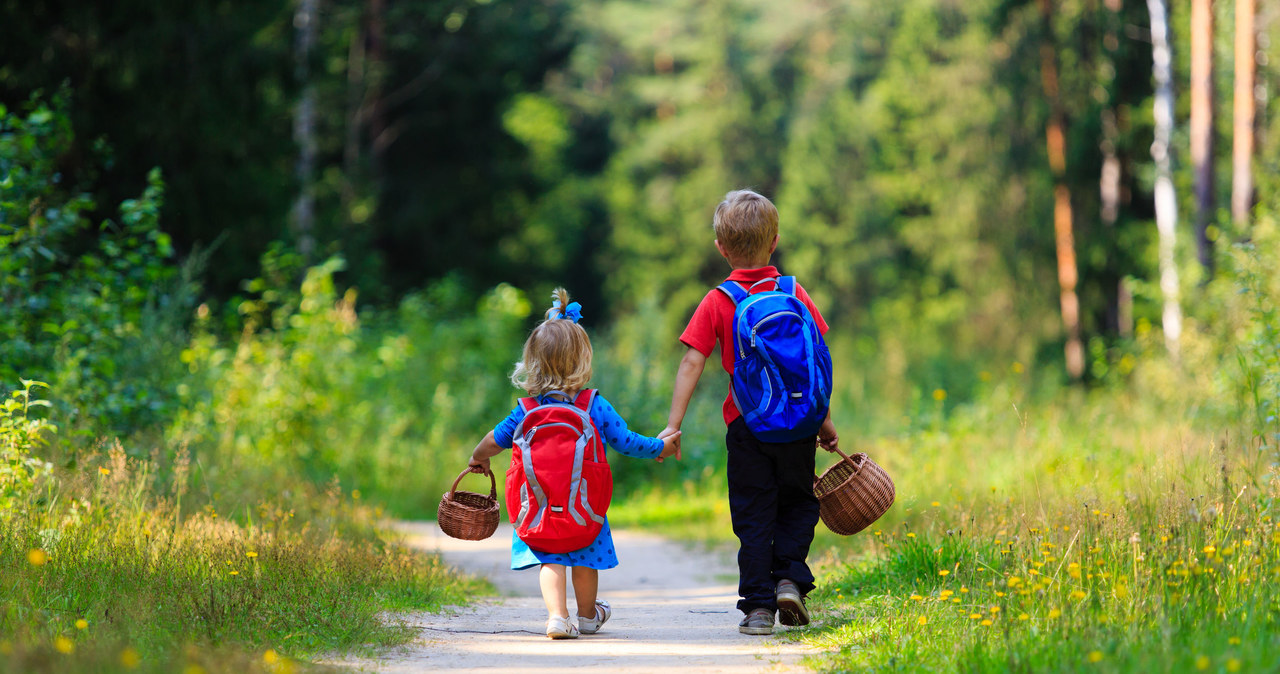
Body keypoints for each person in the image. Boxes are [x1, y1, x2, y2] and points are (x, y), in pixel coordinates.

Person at [661, 189, 839, 636]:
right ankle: (790, 581)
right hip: (798, 426)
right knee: (799, 504)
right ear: (774, 241)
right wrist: (825, 420)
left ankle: (758, 608)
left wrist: (673, 425)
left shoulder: (719, 299)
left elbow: (691, 361)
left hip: (746, 425)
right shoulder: (793, 291)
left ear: (721, 248)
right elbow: (813, 361)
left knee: (753, 515)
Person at [469, 288, 681, 639]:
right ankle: (586, 616)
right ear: (583, 359)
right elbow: (626, 441)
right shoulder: (593, 405)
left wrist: (478, 458)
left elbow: (493, 441)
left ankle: (556, 617)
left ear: (533, 361)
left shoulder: (525, 411)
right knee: (584, 556)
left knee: (550, 558)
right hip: (584, 505)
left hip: (537, 507)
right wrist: (660, 446)